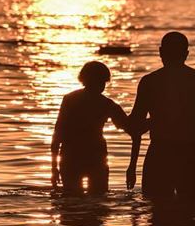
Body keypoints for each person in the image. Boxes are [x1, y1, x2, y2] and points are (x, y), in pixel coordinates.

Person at [126, 31, 195, 201]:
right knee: (192, 209)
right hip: (193, 150)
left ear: (160, 52)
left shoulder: (150, 81)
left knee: (157, 210)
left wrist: (132, 164)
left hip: (162, 151)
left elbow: (136, 126)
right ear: (186, 54)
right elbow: (192, 118)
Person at [51, 61, 133, 195]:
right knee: (97, 202)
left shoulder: (70, 100)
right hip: (91, 157)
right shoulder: (107, 104)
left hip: (75, 156)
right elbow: (129, 126)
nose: (102, 86)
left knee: (72, 204)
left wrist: (54, 168)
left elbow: (58, 134)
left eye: (103, 82)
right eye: (100, 82)